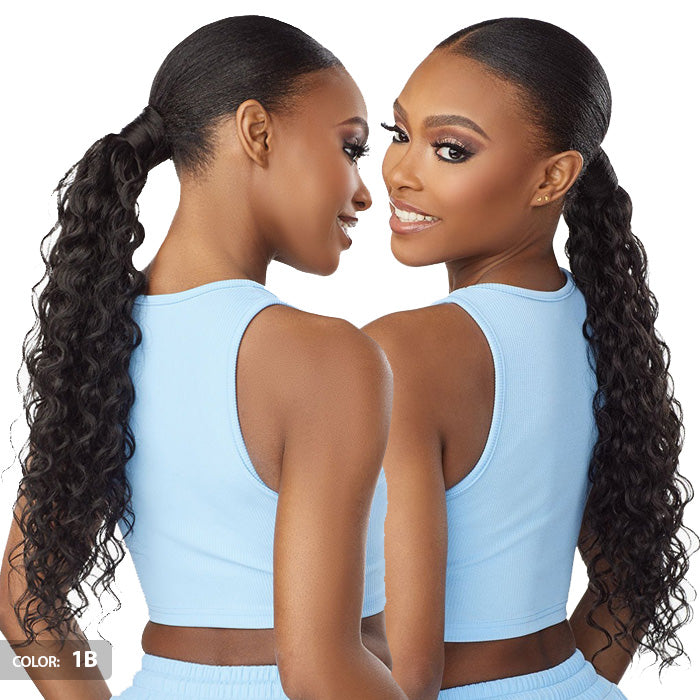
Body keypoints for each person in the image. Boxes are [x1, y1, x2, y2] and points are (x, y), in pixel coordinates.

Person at [0, 15, 409, 700]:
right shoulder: (329, 358)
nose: (365, 191)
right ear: (257, 133)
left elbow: (21, 600)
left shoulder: (100, 340)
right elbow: (321, 670)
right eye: (350, 148)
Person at [363, 16, 694, 700]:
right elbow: (630, 581)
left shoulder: (402, 351)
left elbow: (405, 665)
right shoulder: (603, 326)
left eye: (450, 149)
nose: (400, 172)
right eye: (400, 133)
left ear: (553, 178)